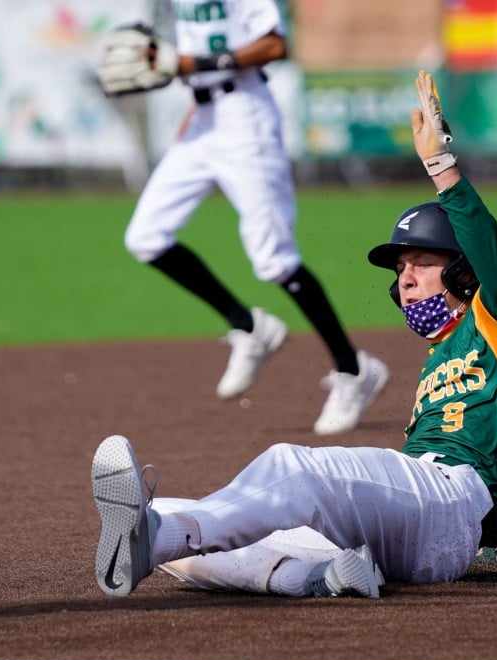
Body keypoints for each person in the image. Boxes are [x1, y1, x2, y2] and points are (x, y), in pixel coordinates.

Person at [90, 71, 497, 599]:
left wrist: (440, 166)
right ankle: (312, 577)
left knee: (289, 467)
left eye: (423, 262)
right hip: (416, 520)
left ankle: (153, 539)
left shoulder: (495, 325)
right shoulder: (437, 361)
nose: (405, 278)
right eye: (400, 268)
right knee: (182, 512)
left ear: (463, 273)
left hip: (448, 500)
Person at [123, 0, 388, 436]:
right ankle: (249, 326)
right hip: (203, 118)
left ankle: (354, 369)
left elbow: (273, 45)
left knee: (274, 259)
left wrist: (194, 62)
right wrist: (191, 95)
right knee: (146, 236)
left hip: (245, 117)